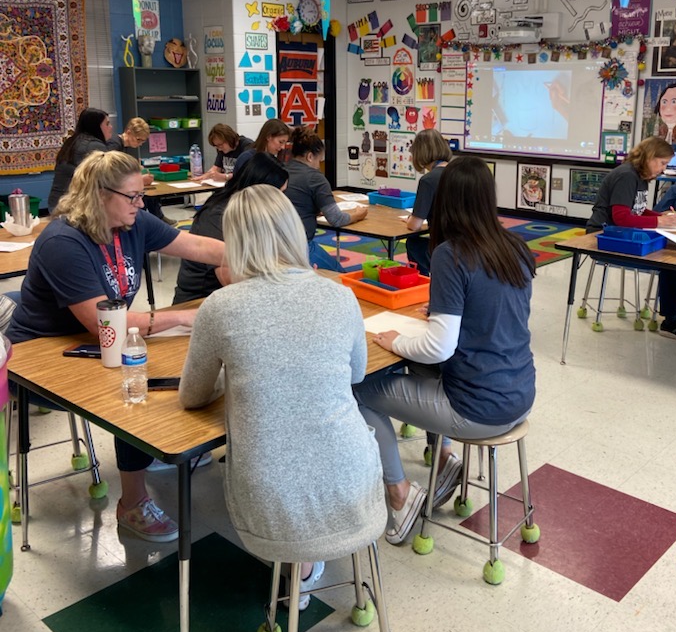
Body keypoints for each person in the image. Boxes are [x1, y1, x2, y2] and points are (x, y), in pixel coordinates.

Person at [178, 184, 386, 608]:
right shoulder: (340, 295)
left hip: (268, 493)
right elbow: (356, 374)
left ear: (233, 242)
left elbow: (192, 396)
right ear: (294, 232)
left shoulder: (221, 306)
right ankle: (308, 569)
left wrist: (234, 377)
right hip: (353, 478)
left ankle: (298, 565)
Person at [7, 151, 225, 542]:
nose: (141, 205)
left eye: (141, 196)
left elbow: (196, 247)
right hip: (44, 355)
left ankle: (156, 450)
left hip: (99, 341)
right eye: (133, 196)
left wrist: (266, 259)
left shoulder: (132, 220)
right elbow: (101, 322)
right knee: (136, 384)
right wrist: (181, 317)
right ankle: (133, 503)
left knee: (170, 366)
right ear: (99, 194)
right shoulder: (63, 241)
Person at [353, 156, 537, 546]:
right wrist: (447, 309)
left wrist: (394, 341)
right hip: (520, 394)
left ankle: (400, 494)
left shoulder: (451, 254)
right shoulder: (515, 248)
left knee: (358, 391)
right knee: (419, 372)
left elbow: (438, 346)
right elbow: (496, 312)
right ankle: (444, 458)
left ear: (445, 201)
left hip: (478, 408)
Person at [586, 136, 676, 342]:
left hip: (619, 232)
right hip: (603, 236)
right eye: (662, 163)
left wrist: (660, 216)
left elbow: (637, 211)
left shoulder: (639, 176)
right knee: (668, 260)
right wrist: (659, 223)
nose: (663, 168)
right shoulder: (627, 176)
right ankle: (672, 320)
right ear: (649, 157)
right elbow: (621, 217)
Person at [173, 152, 289, 304]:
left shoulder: (255, 212)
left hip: (237, 299)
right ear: (258, 190)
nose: (281, 201)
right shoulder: (217, 216)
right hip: (200, 302)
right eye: (278, 194)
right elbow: (230, 279)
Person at [284, 126, 367, 271]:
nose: (318, 165)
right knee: (341, 276)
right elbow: (336, 219)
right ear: (310, 157)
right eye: (319, 161)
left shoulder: (280, 170)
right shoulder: (315, 178)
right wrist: (359, 214)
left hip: (274, 245)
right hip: (300, 247)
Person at [48, 107, 116, 211]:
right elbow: (108, 179)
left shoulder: (72, 141)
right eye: (107, 124)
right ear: (96, 126)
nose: (111, 127)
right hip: (72, 207)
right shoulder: (93, 146)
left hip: (58, 202)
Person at [405, 130, 452, 275]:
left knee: (413, 243)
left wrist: (409, 220)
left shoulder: (429, 180)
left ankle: (424, 283)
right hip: (473, 243)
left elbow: (415, 225)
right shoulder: (461, 172)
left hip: (446, 247)